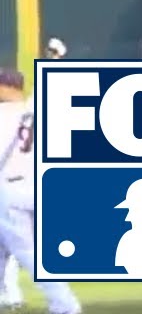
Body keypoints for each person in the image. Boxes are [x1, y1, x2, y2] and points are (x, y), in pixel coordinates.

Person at [0, 69, 81, 314]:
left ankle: (65, 305)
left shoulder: (4, 115)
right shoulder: (35, 111)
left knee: (29, 254)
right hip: (38, 189)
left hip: (10, 191)